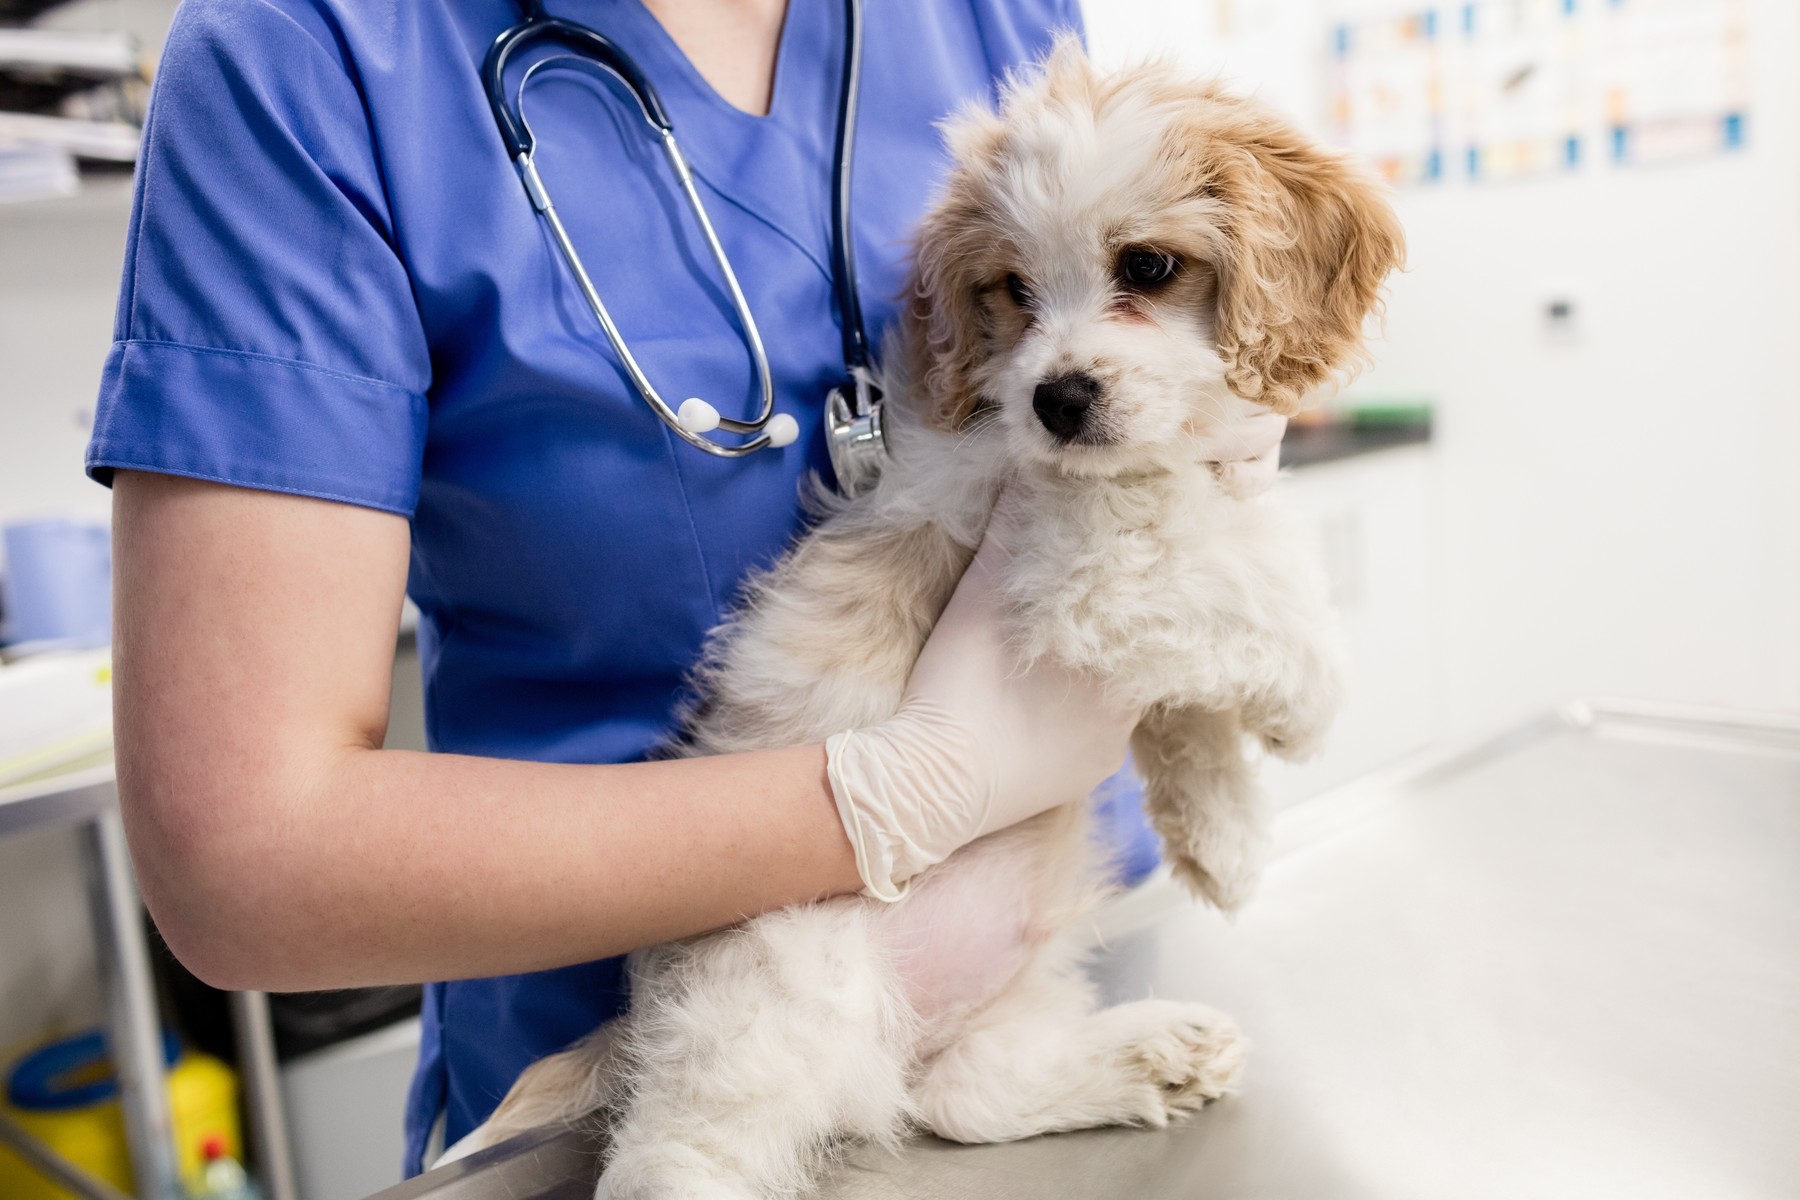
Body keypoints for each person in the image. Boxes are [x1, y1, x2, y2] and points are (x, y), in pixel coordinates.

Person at [86, 0, 1284, 1173]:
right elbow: (246, 862)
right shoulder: (308, 52)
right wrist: (892, 795)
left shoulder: (989, 15)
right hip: (639, 1082)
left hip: (1066, 993)